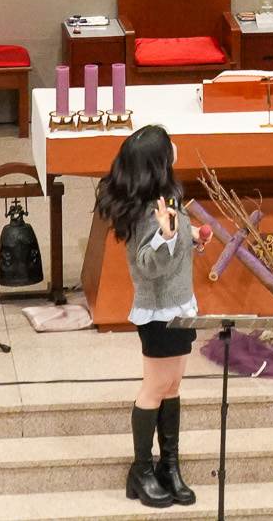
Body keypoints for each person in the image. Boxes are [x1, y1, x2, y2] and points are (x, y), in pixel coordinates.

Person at [95, 124, 213, 508]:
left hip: (180, 305)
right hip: (159, 312)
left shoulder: (166, 198)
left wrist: (192, 237)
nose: (175, 148)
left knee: (173, 386)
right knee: (154, 388)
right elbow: (148, 265)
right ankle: (141, 470)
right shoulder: (146, 212)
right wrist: (166, 236)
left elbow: (176, 242)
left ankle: (169, 466)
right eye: (168, 146)